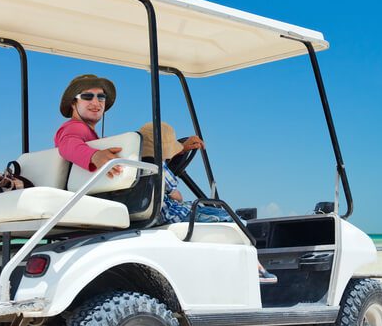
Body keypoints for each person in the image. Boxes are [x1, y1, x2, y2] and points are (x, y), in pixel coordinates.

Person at [137, 122, 277, 284]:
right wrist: (175, 193)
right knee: (231, 219)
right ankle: (256, 266)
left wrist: (182, 149)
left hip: (154, 216)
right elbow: (177, 195)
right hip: (175, 215)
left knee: (204, 208)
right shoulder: (159, 168)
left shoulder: (139, 165)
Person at [54, 74, 123, 177]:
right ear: (73, 103)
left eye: (101, 97)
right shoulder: (75, 127)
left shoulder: (85, 131)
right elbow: (68, 144)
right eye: (87, 96)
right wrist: (95, 156)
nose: (96, 103)